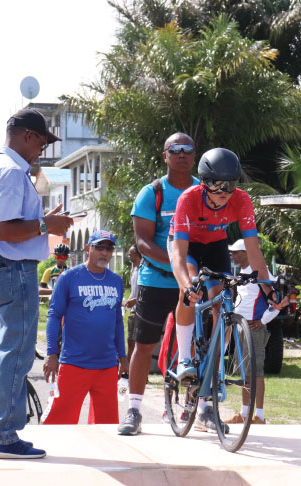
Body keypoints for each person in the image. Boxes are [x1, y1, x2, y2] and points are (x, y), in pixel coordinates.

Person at [0, 108, 73, 459]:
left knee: (0, 352)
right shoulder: (13, 173)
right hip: (13, 268)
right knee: (15, 352)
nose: (42, 151)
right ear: (29, 136)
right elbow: (5, 229)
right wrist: (46, 225)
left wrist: (44, 221)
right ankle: (2, 435)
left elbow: (0, 227)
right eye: (43, 142)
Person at [169, 147, 273, 432]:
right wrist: (186, 285)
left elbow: (254, 251)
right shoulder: (188, 199)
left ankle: (213, 366)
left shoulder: (241, 200)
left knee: (223, 299)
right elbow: (178, 256)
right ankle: (186, 360)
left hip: (215, 245)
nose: (226, 191)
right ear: (204, 182)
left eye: (232, 183)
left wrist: (268, 288)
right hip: (186, 245)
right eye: (218, 184)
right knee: (189, 289)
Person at [117, 132, 199, 436]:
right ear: (164, 156)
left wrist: (191, 271)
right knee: (143, 346)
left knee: (194, 347)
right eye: (174, 149)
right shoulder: (152, 193)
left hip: (190, 284)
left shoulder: (204, 192)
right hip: (156, 281)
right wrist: (176, 265)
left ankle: (199, 408)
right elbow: (142, 242)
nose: (181, 154)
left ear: (194, 156)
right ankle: (134, 411)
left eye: (187, 149)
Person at [42, 231, 128, 424]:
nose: (104, 253)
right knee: (57, 425)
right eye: (99, 247)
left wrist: (122, 356)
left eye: (109, 248)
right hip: (74, 363)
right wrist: (51, 354)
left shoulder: (116, 281)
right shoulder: (69, 278)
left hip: (106, 365)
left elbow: (117, 321)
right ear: (88, 249)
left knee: (106, 428)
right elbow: (54, 316)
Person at [225, 239, 288, 425]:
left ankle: (259, 416)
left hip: (253, 329)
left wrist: (262, 321)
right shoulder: (243, 272)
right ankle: (244, 413)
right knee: (245, 372)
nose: (232, 255)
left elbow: (277, 303)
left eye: (236, 252)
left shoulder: (260, 271)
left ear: (247, 252)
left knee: (256, 373)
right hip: (241, 326)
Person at [124, 244, 141, 361]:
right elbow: (133, 291)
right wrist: (126, 303)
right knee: (130, 341)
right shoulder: (133, 270)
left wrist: (134, 301)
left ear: (137, 255)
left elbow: (145, 293)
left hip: (141, 312)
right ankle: (129, 369)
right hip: (133, 311)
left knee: (139, 343)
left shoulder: (143, 270)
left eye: (131, 254)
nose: (129, 257)